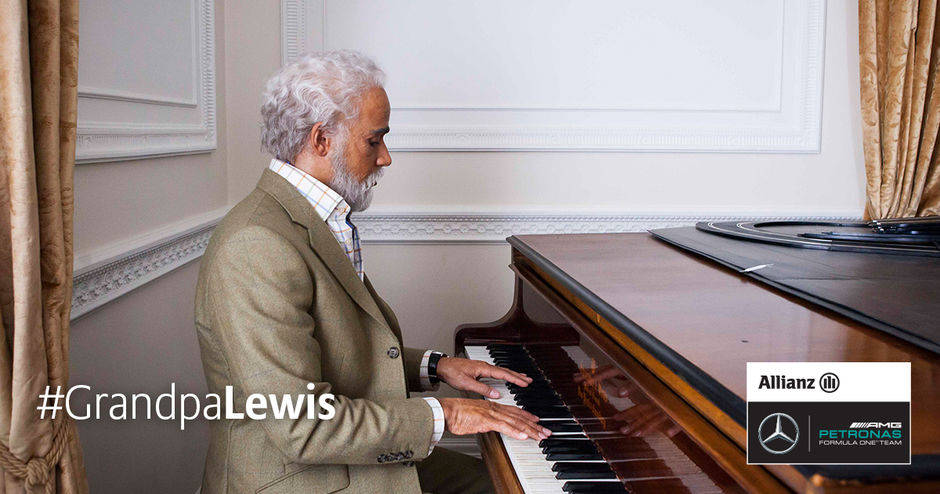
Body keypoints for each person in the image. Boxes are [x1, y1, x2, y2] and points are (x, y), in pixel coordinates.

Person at [194, 49, 550, 494]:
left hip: (343, 458)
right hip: (302, 477)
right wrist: (450, 413)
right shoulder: (256, 246)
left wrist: (437, 367)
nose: (385, 158)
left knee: (498, 485)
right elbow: (304, 427)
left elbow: (342, 350)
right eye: (374, 140)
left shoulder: (313, 217)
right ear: (321, 140)